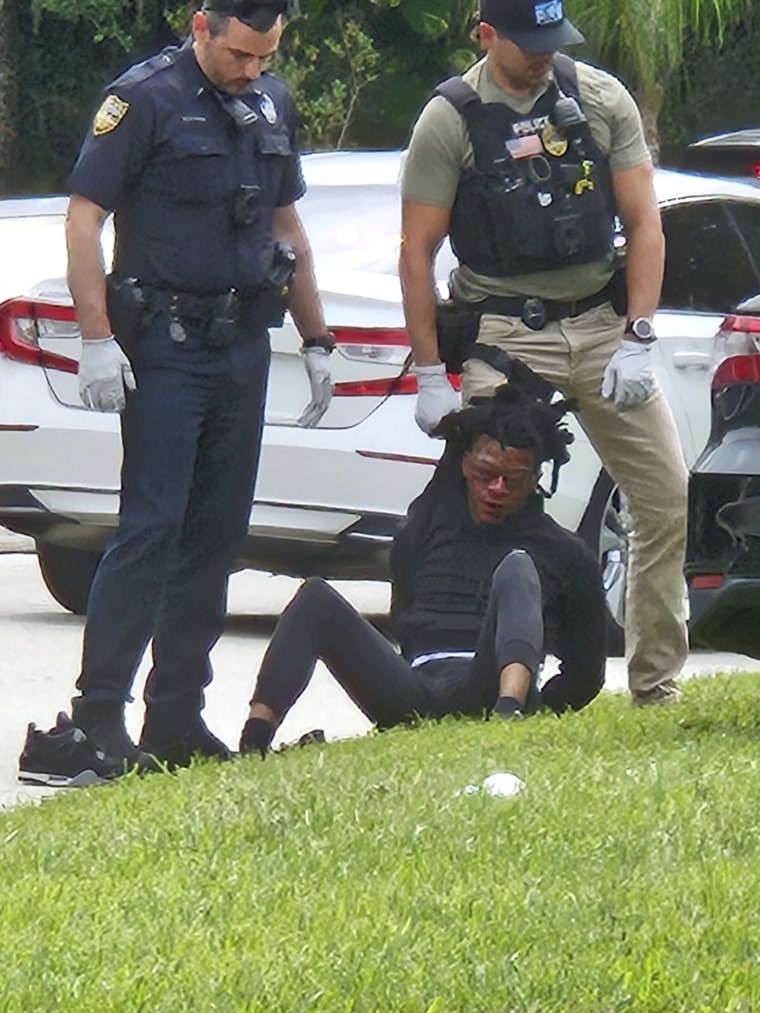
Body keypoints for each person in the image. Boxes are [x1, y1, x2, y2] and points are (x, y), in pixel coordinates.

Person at [59, 0, 335, 772]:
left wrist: (317, 338)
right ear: (201, 25)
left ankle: (175, 715)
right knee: (151, 528)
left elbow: (287, 227)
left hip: (242, 340)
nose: (252, 70)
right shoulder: (144, 98)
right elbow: (84, 221)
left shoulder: (270, 100)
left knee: (215, 535)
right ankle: (99, 715)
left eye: (266, 56)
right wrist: (95, 339)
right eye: (241, 54)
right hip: (165, 345)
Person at [398, 0, 688, 707]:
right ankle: (457, 675)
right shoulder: (452, 119)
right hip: (505, 332)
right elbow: (416, 254)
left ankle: (655, 681)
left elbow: (645, 222)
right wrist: (431, 372)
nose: (542, 55)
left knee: (664, 492)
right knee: (475, 500)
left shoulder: (597, 98)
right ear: (486, 33)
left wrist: (639, 336)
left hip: (599, 325)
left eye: (552, 41)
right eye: (527, 42)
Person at [238, 384, 607, 757]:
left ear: (534, 480)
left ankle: (507, 719)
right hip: (414, 687)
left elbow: (586, 674)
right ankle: (253, 742)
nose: (496, 488)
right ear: (465, 466)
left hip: (488, 682)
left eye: (512, 480)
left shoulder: (565, 554)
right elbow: (405, 612)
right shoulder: (429, 524)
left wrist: (539, 705)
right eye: (485, 474)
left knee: (516, 566)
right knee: (315, 598)